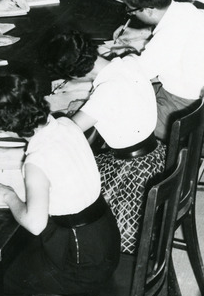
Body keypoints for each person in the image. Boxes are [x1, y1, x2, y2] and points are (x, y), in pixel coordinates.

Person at [0, 73, 120, 296]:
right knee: (23, 252)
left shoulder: (37, 161)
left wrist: (9, 195)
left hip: (81, 265)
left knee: (6, 276)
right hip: (106, 241)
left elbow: (35, 224)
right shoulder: (65, 124)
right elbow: (56, 157)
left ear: (6, 126)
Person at [42, 31, 165, 255]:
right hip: (154, 157)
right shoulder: (129, 61)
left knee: (64, 192)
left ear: (74, 74)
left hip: (132, 176)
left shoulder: (105, 92)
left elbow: (66, 133)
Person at [94, 0, 204, 140]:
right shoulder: (187, 10)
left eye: (132, 10)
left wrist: (111, 59)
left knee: (113, 116)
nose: (132, 14)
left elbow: (136, 73)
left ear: (149, 10)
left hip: (193, 116)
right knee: (126, 98)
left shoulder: (170, 33)